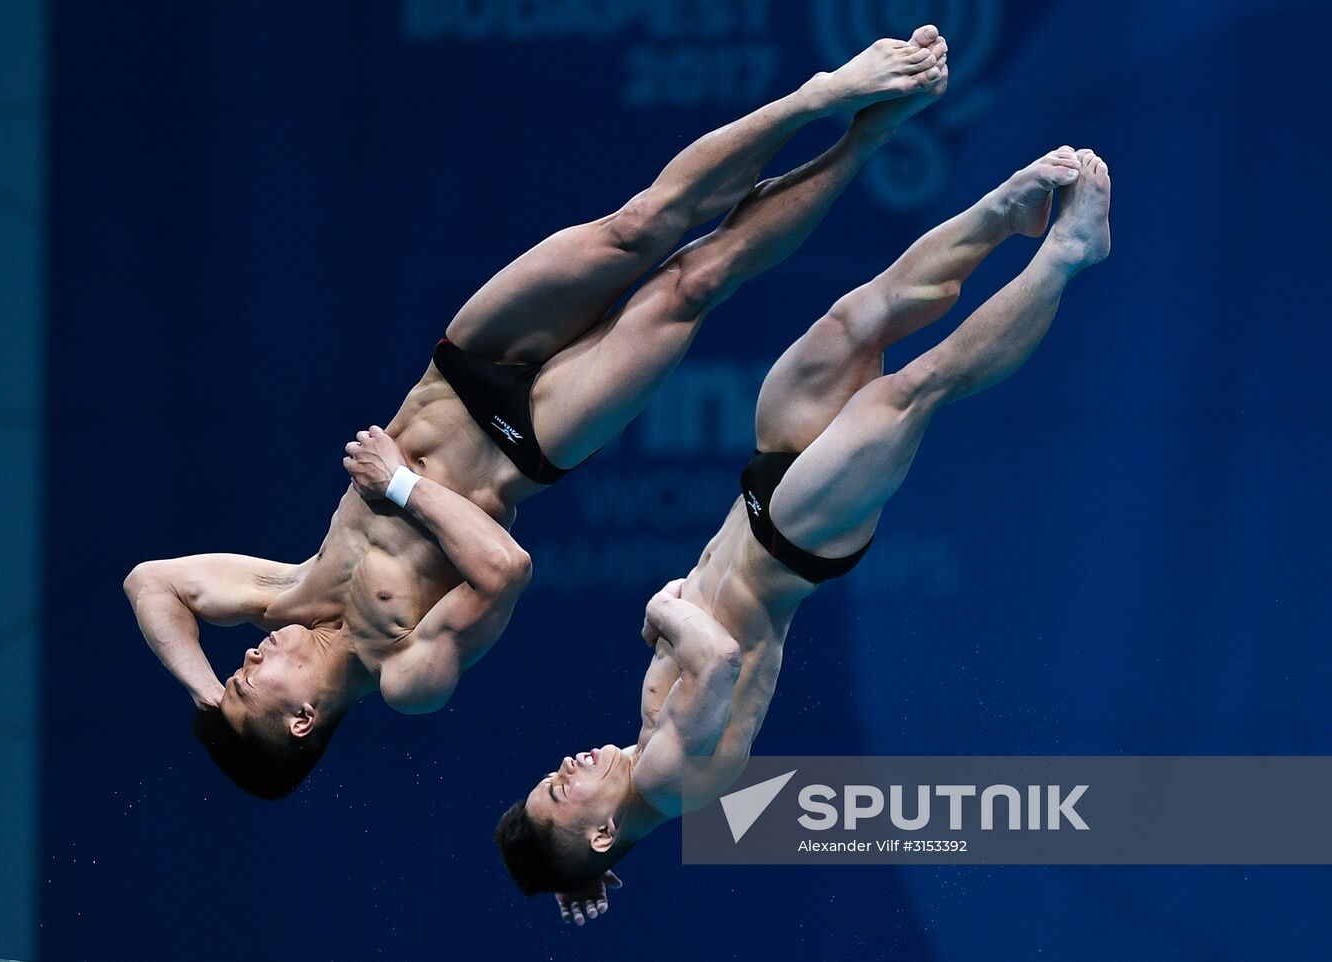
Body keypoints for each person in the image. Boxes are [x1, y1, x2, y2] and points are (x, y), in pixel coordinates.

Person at [123, 28, 951, 799]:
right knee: (694, 282)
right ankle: (868, 137)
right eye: (244, 682)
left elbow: (151, 583)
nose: (246, 656)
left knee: (638, 225)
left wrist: (205, 701)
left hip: (460, 371)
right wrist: (403, 485)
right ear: (301, 718)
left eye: (228, 668)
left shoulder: (285, 597)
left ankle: (822, 96)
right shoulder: (406, 677)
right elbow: (505, 569)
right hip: (533, 441)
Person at [495, 147, 1112, 923]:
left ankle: (1003, 211)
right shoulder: (671, 785)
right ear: (603, 828)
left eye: (549, 777)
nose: (564, 767)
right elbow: (716, 661)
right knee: (918, 389)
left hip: (766, 489)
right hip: (797, 540)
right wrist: (662, 615)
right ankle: (1066, 254)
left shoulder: (638, 762)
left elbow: (597, 819)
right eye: (560, 790)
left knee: (858, 317)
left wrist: (576, 869)